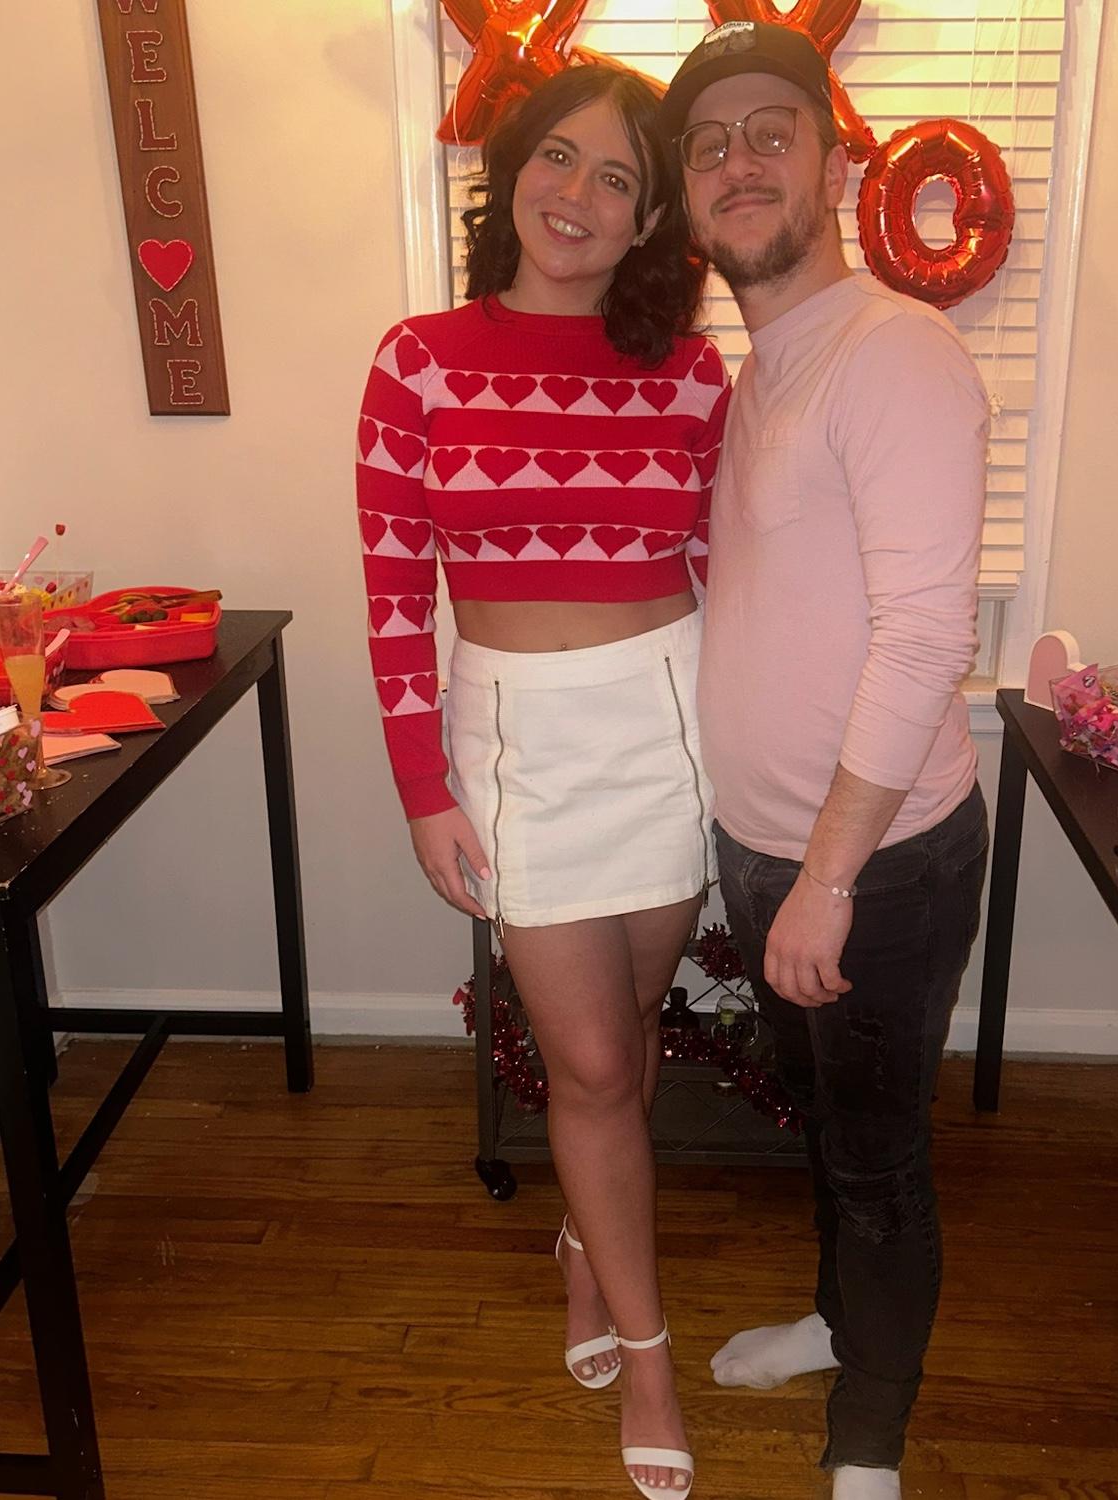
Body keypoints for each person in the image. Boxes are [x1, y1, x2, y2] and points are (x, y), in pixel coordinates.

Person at [356, 64, 729, 1500]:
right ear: (513, 169)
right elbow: (396, 596)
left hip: (668, 724)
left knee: (622, 1038)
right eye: (559, 158)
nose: (577, 195)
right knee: (590, 1065)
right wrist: (422, 787)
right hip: (514, 739)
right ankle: (650, 1352)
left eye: (618, 178)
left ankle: (587, 1238)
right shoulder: (418, 361)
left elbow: (724, 573)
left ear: (648, 219)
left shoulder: (691, 372)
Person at [661, 22, 992, 1500]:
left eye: (769, 132)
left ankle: (871, 1442)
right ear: (688, 196)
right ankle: (837, 1323)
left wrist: (829, 880)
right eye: (708, 145)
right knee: (832, 1139)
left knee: (879, 1164)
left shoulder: (893, 350)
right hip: (773, 852)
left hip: (876, 867)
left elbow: (924, 641)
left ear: (836, 162)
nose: (738, 162)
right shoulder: (766, 370)